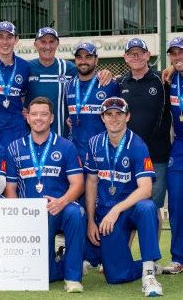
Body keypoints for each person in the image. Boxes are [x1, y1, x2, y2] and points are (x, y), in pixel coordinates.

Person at [6, 97, 86, 293]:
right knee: (45, 277)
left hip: (59, 207)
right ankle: (59, 263)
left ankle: (72, 277)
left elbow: (79, 184)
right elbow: (10, 188)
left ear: (51, 118)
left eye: (44, 114)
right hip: (30, 213)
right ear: (27, 118)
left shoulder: (66, 146)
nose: (38, 118)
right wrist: (19, 212)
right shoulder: (14, 148)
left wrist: (62, 201)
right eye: (34, 114)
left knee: (76, 213)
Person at [85, 97, 163, 297]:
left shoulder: (137, 145)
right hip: (106, 214)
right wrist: (92, 221)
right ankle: (144, 267)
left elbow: (146, 189)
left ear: (127, 116)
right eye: (109, 114)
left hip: (129, 210)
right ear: (102, 118)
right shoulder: (94, 143)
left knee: (147, 207)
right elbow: (92, 182)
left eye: (119, 114)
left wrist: (117, 209)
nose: (114, 119)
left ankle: (148, 274)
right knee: (115, 276)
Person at [65, 42, 119, 272]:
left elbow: (119, 115)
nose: (84, 60)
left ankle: (105, 255)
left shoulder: (109, 83)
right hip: (76, 156)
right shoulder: (68, 85)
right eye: (80, 57)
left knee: (102, 205)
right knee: (81, 208)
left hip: (101, 155)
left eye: (89, 56)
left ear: (97, 60)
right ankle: (86, 256)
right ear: (75, 60)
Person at [118, 38, 171, 241]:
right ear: (125, 58)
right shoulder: (120, 83)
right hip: (128, 158)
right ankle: (123, 255)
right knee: (127, 205)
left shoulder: (163, 80)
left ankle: (152, 259)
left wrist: (174, 69)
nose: (136, 56)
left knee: (152, 207)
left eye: (141, 52)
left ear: (149, 55)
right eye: (132, 53)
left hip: (157, 157)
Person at [26, 28, 112, 137]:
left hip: (63, 136)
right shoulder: (27, 68)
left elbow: (88, 75)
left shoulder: (68, 68)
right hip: (34, 135)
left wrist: (105, 73)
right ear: (35, 44)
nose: (47, 46)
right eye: (43, 42)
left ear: (57, 44)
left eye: (51, 42)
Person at [164, 36, 183, 274]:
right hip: (178, 147)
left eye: (181, 53)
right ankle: (178, 257)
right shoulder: (168, 79)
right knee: (176, 204)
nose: (177, 58)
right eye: (174, 54)